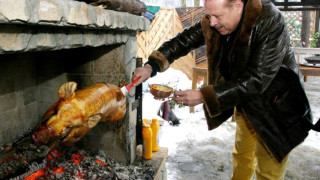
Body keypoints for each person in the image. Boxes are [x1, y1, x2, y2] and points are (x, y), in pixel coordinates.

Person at [132, 0, 320, 179]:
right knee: (242, 155)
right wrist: (151, 67)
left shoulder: (270, 20)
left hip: (276, 104)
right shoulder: (215, 19)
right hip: (245, 99)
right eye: (209, 15)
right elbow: (184, 41)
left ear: (238, 4)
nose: (211, 22)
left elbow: (258, 79)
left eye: (217, 16)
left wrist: (204, 95)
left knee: (268, 167)